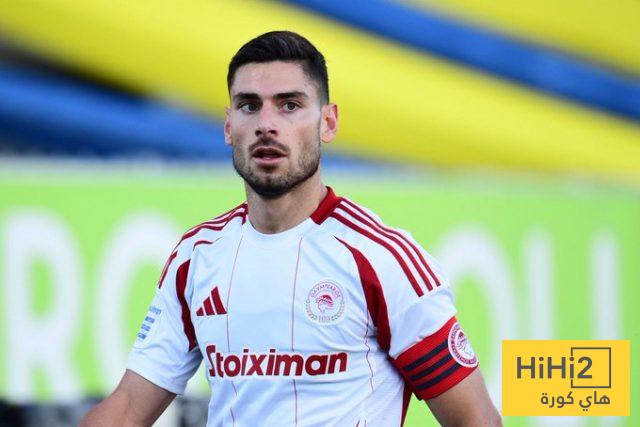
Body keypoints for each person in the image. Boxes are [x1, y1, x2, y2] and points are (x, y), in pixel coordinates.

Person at [81, 30, 502, 427]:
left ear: (328, 123)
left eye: (289, 105)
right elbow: (127, 408)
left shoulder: (381, 259)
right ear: (228, 126)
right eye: (249, 106)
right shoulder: (197, 256)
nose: (266, 124)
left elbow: (475, 419)